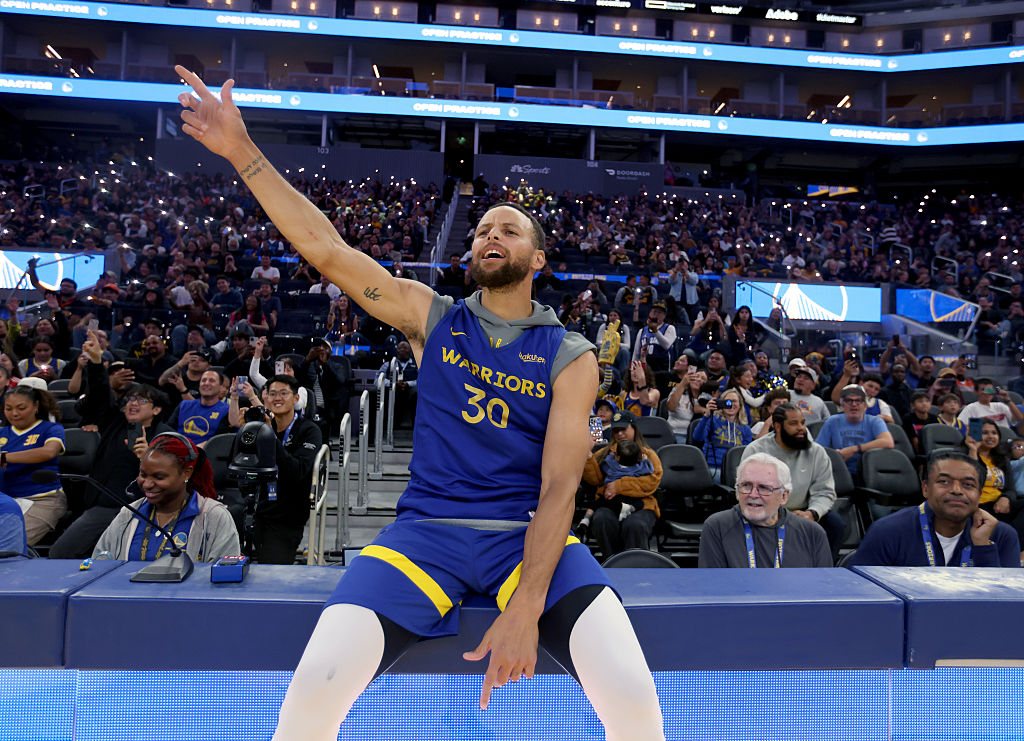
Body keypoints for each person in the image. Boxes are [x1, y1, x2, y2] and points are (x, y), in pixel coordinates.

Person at [177, 66, 663, 741]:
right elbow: (327, 249)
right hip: (424, 534)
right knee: (311, 693)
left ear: (538, 259)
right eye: (483, 229)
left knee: (635, 698)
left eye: (509, 230)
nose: (491, 236)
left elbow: (559, 488)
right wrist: (241, 151)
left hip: (525, 537)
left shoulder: (570, 353)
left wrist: (527, 608)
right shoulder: (429, 316)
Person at [849, 450, 1020, 568]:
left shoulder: (1002, 536)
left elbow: (1006, 604)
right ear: (925, 489)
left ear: (979, 494)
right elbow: (863, 597)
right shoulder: (888, 531)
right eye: (944, 482)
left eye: (968, 484)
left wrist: (983, 548)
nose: (957, 490)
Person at [93, 432, 240, 562]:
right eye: (143, 475)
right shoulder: (129, 514)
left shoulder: (213, 517)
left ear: (187, 473)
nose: (147, 484)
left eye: (159, 477)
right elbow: (100, 565)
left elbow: (224, 577)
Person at [743, 402, 846, 556]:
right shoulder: (756, 450)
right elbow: (747, 491)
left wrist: (812, 513)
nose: (801, 428)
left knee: (835, 524)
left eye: (802, 423)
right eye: (793, 423)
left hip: (804, 511)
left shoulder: (817, 452)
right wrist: (774, 514)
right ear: (777, 426)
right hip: (766, 510)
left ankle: (825, 567)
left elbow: (824, 492)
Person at [698, 452, 831, 568]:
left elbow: (824, 585)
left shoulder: (812, 533)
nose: (753, 494)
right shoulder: (718, 527)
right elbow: (714, 585)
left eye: (764, 488)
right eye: (746, 485)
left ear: (784, 496)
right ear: (737, 491)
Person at [245, 374, 323, 564]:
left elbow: (297, 472)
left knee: (272, 569)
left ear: (296, 398)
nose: (277, 398)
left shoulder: (309, 430)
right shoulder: (259, 426)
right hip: (255, 507)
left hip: (287, 513)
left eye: (283, 393)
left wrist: (270, 437)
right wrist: (245, 433)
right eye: (272, 394)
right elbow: (241, 466)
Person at [580, 410, 662, 559]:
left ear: (634, 428)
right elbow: (594, 480)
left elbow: (651, 483)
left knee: (635, 525)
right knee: (601, 519)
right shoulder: (605, 453)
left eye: (623, 429)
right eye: (616, 431)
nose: (619, 434)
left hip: (642, 505)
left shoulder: (648, 454)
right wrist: (589, 458)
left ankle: (635, 565)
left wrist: (618, 486)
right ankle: (611, 562)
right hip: (610, 503)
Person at [0, 385, 65, 546]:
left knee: (8, 545)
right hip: (6, 500)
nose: (14, 413)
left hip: (43, 499)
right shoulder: (2, 433)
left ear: (36, 406)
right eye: (8, 409)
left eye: (21, 408)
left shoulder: (51, 428)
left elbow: (49, 452)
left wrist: (4, 457)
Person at [963, 419, 1024, 559]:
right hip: (979, 506)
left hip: (999, 506)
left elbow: (1011, 488)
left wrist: (1005, 498)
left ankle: (1018, 551)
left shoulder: (1002, 459)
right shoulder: (964, 456)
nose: (991, 436)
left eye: (994, 433)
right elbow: (971, 480)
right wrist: (973, 449)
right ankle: (1013, 551)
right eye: (985, 433)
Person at [815, 384, 894, 476]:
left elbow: (888, 442)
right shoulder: (832, 421)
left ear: (865, 405)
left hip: (868, 473)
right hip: (840, 473)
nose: (854, 404)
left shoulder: (875, 421)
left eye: (858, 400)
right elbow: (818, 450)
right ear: (842, 405)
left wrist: (854, 449)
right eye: (849, 400)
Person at [691, 387, 752, 482]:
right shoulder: (712, 420)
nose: (730, 404)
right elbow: (697, 438)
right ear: (721, 404)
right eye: (727, 401)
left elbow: (745, 454)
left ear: (740, 405)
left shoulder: (746, 429)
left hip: (734, 470)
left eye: (734, 401)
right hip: (712, 467)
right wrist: (706, 416)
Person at [166, 369, 231, 446]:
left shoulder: (226, 410)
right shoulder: (183, 405)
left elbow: (220, 440)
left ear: (220, 387)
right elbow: (168, 430)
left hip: (206, 450)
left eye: (212, 381)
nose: (206, 383)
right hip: (177, 448)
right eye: (203, 380)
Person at [958, 378, 1024, 434]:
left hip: (1004, 440)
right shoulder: (970, 408)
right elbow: (961, 426)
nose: (987, 393)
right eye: (983, 390)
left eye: (989, 390)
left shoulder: (1001, 406)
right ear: (976, 392)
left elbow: (1019, 418)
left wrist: (1008, 400)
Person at [666, 367, 708, 444]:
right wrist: (683, 384)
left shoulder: (706, 398)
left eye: (703, 378)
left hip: (698, 438)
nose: (699, 379)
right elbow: (671, 407)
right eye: (696, 376)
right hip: (675, 433)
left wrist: (703, 410)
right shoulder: (678, 390)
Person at [903, 390, 939, 455]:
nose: (924, 404)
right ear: (912, 405)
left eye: (927, 401)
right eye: (920, 401)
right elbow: (914, 440)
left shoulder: (934, 418)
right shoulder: (908, 418)